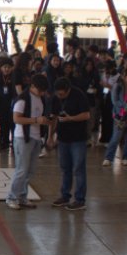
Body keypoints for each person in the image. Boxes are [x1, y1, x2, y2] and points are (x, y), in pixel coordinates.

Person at [6, 73, 49, 210]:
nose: (42, 93)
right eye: (40, 90)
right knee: (22, 170)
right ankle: (12, 197)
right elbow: (16, 119)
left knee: (30, 170)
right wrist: (36, 120)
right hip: (23, 138)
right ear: (33, 86)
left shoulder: (40, 99)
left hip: (36, 138)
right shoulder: (22, 99)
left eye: (43, 91)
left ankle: (22, 196)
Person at [49, 75, 90, 209]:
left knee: (78, 168)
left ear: (68, 90)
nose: (59, 96)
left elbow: (86, 115)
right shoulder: (55, 98)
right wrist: (50, 136)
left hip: (78, 138)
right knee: (65, 168)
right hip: (62, 138)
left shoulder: (79, 95)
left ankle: (80, 199)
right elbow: (53, 117)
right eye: (57, 94)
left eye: (62, 94)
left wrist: (70, 118)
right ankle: (65, 195)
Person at [102, 67, 127, 166]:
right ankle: (108, 158)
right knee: (116, 137)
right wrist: (125, 105)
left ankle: (126, 157)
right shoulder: (117, 86)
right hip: (120, 115)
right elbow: (114, 101)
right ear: (123, 76)